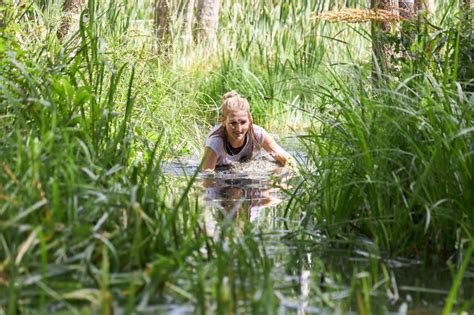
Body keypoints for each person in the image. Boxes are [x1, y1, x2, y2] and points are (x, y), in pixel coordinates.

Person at [200, 91, 293, 171]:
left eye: (243, 122)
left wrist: (279, 185)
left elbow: (288, 161)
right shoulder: (215, 143)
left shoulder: (258, 134)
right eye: (233, 123)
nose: (239, 129)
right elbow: (207, 179)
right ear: (223, 121)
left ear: (250, 120)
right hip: (220, 172)